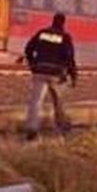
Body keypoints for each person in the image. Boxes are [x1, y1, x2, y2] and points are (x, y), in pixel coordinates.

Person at [23, 12, 77, 140]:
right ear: (63, 23)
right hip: (56, 74)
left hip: (39, 71)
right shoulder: (65, 37)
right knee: (59, 102)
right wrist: (73, 76)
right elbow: (70, 59)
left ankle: (32, 128)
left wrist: (33, 64)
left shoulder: (42, 33)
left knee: (35, 101)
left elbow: (28, 49)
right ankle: (62, 127)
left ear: (52, 21)